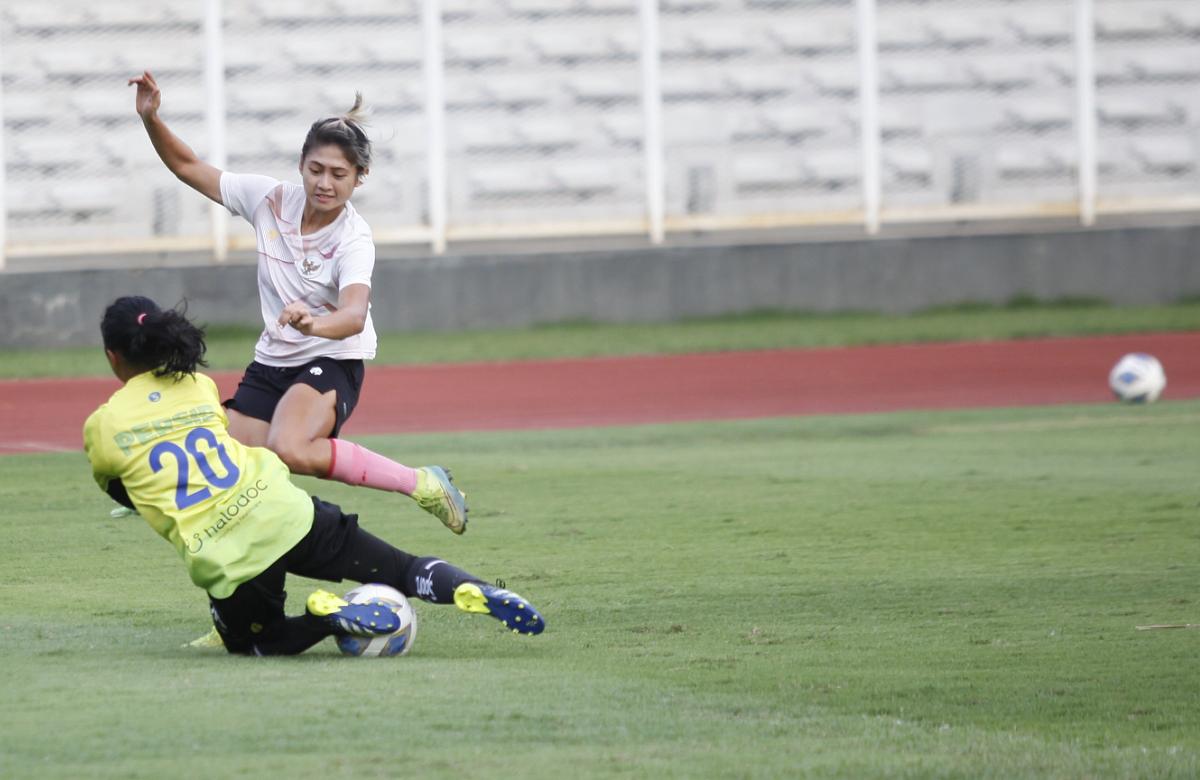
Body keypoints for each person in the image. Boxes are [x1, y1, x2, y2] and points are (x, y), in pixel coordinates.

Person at [83, 296, 544, 655]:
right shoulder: (198, 386)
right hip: (286, 510)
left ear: (112, 356)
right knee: (402, 568)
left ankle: (329, 617)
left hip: (233, 557)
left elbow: (126, 491)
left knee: (258, 643)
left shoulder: (103, 426)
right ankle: (476, 587)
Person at [127, 70, 467, 536]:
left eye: (339, 174)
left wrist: (313, 326)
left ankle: (422, 484)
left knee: (289, 447)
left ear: (359, 179)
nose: (325, 183)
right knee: (220, 458)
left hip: (332, 357)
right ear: (301, 164)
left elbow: (352, 316)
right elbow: (188, 167)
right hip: (275, 359)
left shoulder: (353, 240)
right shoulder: (269, 200)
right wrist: (151, 119)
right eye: (316, 169)